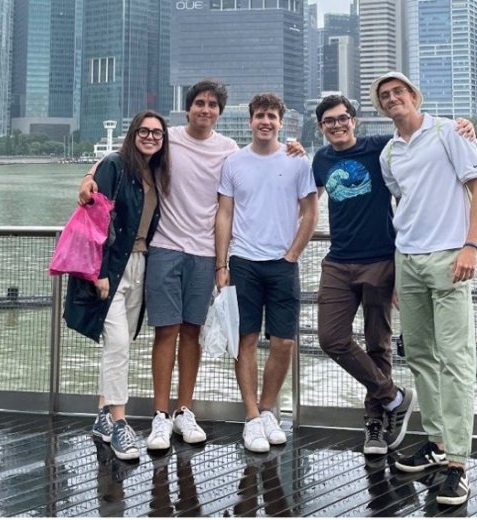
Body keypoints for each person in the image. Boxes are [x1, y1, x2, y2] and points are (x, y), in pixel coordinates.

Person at [79, 80, 305, 452]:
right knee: (165, 332)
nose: (206, 109)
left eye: (213, 105)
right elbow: (123, 156)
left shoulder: (229, 150)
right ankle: (160, 415)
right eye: (199, 103)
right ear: (188, 108)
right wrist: (89, 176)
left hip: (204, 253)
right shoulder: (168, 138)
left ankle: (185, 410)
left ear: (220, 111)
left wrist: (293, 149)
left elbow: (253, 177)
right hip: (165, 248)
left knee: (193, 332)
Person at [311, 95, 476, 457]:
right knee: (331, 338)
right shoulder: (320, 159)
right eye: (328, 122)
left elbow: (419, 139)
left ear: (354, 120)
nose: (337, 125)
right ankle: (394, 398)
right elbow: (303, 195)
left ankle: (375, 425)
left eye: (343, 118)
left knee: (378, 344)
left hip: (382, 260)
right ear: (320, 128)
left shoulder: (379, 148)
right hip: (338, 262)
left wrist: (464, 128)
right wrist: (290, 150)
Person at [372, 71, 477, 506]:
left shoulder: (448, 133)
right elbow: (403, 200)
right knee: (420, 354)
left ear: (414, 96)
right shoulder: (389, 153)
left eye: (398, 92)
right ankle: (438, 441)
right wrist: (401, 269)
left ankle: (457, 462)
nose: (391, 99)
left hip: (449, 256)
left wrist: (470, 245)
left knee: (456, 359)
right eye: (384, 96)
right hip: (408, 260)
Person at [215, 93, 318, 453]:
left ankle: (269, 409)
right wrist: (221, 263)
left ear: (280, 122)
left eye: (272, 116)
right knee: (244, 340)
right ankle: (251, 417)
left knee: (284, 342)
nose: (265, 121)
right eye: (260, 115)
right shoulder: (233, 163)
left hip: (283, 264)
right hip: (243, 262)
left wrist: (293, 253)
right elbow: (224, 214)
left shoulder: (297, 162)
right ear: (250, 121)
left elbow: (310, 211)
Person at [65, 110, 169, 461]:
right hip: (113, 266)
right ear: (132, 133)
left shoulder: (155, 170)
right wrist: (98, 271)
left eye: (157, 132)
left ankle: (102, 416)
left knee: (120, 344)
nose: (151, 137)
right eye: (144, 131)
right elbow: (96, 219)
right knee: (119, 344)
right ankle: (120, 423)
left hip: (141, 263)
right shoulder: (114, 165)